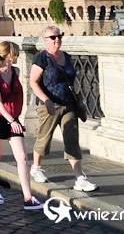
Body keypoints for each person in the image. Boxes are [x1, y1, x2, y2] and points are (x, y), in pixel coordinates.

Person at [29, 26, 98, 192]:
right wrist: (46, 100)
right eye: (53, 37)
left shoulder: (66, 57)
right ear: (45, 40)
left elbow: (71, 80)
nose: (57, 39)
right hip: (49, 105)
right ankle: (36, 167)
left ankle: (80, 178)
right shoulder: (41, 58)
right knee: (44, 138)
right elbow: (33, 82)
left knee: (72, 140)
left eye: (59, 36)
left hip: (68, 104)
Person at [0, 41, 43, 210]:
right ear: (9, 54)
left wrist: (15, 119)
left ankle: (28, 197)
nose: (18, 55)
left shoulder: (16, 71)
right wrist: (12, 121)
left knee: (22, 157)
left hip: (13, 118)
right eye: (16, 53)